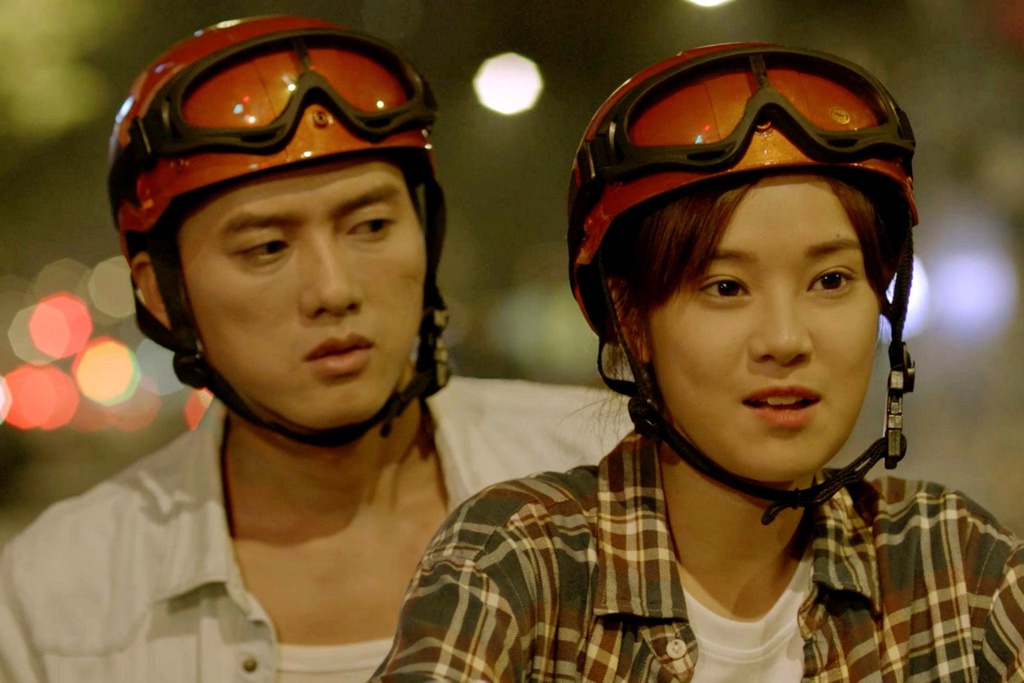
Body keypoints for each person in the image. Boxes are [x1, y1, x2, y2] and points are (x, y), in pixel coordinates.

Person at [0, 15, 631, 682]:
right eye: (267, 247)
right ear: (161, 293)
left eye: (372, 225)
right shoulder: (53, 601)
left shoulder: (617, 477)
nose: (333, 290)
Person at [373, 44, 1024, 681]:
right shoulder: (520, 568)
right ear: (632, 320)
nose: (785, 339)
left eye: (830, 280)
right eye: (726, 287)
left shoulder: (955, 568)